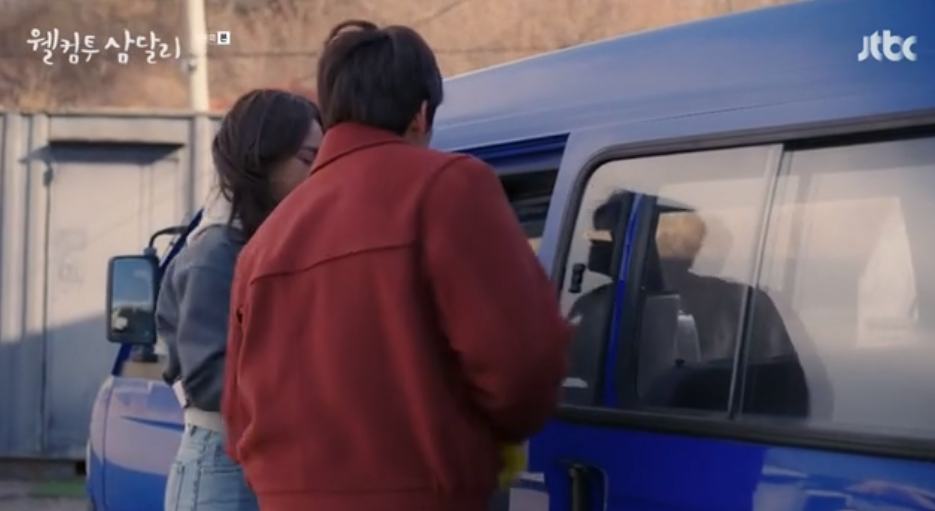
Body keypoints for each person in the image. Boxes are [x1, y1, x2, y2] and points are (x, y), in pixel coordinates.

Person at [221, 20, 571, 511]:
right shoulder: (449, 186)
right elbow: (521, 365)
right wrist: (492, 437)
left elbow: (238, 418)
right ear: (421, 114)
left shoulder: (262, 245)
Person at [156, 89, 322, 511]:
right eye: (309, 158)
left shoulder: (273, 245)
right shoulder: (217, 253)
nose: (320, 173)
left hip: (265, 459)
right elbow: (210, 379)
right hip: (223, 464)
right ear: (263, 159)